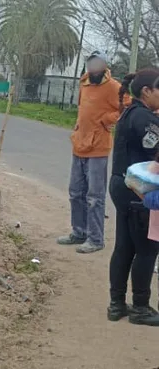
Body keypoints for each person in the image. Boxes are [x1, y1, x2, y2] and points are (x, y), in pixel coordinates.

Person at [105, 68, 159, 326]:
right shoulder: (146, 119)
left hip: (120, 184)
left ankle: (116, 304)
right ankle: (140, 307)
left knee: (125, 246)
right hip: (140, 190)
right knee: (147, 250)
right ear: (147, 91)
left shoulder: (130, 112)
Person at [61, 52, 127, 254]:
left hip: (98, 148)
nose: (94, 69)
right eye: (91, 65)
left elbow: (127, 107)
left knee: (95, 196)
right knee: (75, 192)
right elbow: (83, 109)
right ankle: (79, 232)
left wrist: (107, 120)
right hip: (79, 144)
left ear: (105, 67)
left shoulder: (114, 86)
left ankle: (96, 239)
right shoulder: (84, 83)